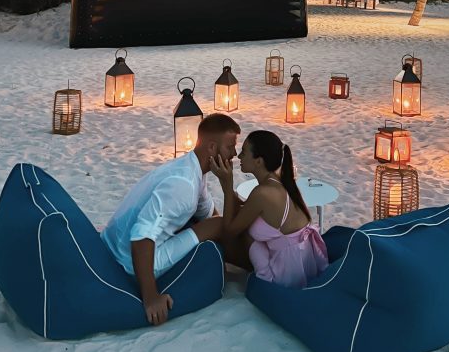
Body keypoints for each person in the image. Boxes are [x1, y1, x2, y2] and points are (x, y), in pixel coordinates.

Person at [101, 113, 241, 325]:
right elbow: (141, 237)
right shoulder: (182, 185)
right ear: (211, 148)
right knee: (218, 225)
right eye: (230, 147)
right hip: (129, 260)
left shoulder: (192, 169)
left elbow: (209, 213)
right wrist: (151, 297)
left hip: (117, 244)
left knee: (216, 223)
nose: (235, 154)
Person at [210, 130, 328, 288]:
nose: (239, 157)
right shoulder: (282, 183)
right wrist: (228, 186)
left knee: (234, 235)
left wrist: (227, 183)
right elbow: (246, 208)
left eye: (244, 152)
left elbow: (230, 231)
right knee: (244, 227)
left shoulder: (262, 193)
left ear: (258, 161)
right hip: (301, 265)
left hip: (285, 277)